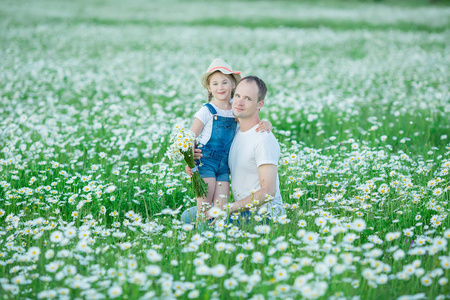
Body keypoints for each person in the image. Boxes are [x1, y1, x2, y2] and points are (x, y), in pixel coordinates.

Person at [183, 75, 284, 226]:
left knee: (211, 224)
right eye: (237, 95)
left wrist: (228, 208)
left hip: (264, 215)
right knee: (188, 217)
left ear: (259, 104)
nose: (239, 102)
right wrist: (193, 161)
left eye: (248, 98)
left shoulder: (263, 139)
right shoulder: (235, 132)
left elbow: (268, 192)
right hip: (241, 209)